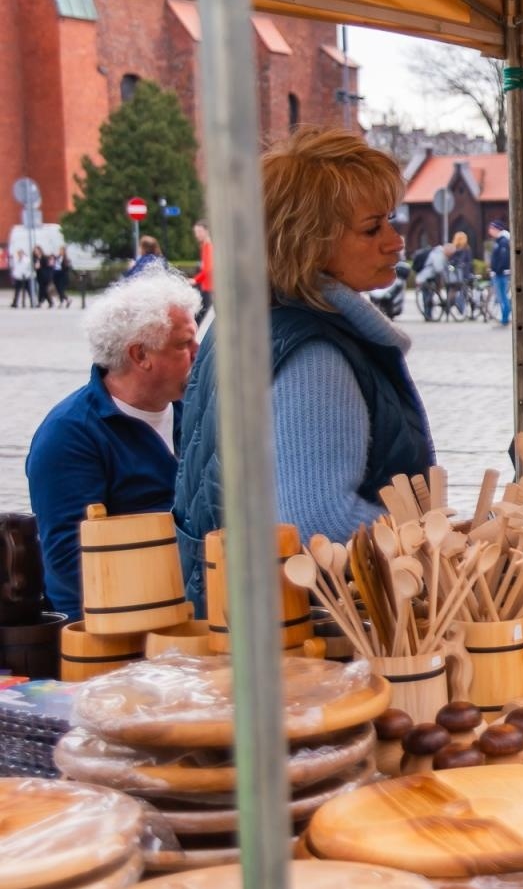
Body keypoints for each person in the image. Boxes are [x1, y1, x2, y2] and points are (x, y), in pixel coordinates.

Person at [174, 127, 434, 610]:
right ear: (307, 242)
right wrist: (433, 548)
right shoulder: (314, 356)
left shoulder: (242, 320)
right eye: (372, 228)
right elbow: (319, 520)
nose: (397, 242)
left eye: (391, 222)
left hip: (240, 617)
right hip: (305, 628)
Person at [27, 269, 200, 619]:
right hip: (120, 630)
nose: (199, 353)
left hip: (199, 611)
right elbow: (71, 567)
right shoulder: (70, 434)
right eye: (184, 344)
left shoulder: (197, 412)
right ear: (140, 355)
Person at [487, 220, 512, 326]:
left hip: (500, 273)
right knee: (501, 296)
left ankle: (505, 318)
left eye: (491, 229)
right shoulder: (499, 241)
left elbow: (503, 258)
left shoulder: (503, 241)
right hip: (498, 273)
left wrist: (497, 270)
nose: (489, 231)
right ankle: (504, 316)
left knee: (502, 296)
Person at [192, 221, 214, 319]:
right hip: (207, 286)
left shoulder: (208, 246)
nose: (197, 235)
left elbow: (208, 268)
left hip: (209, 287)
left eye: (199, 231)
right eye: (196, 232)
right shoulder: (205, 246)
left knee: (204, 317)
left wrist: (195, 280)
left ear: (207, 231)